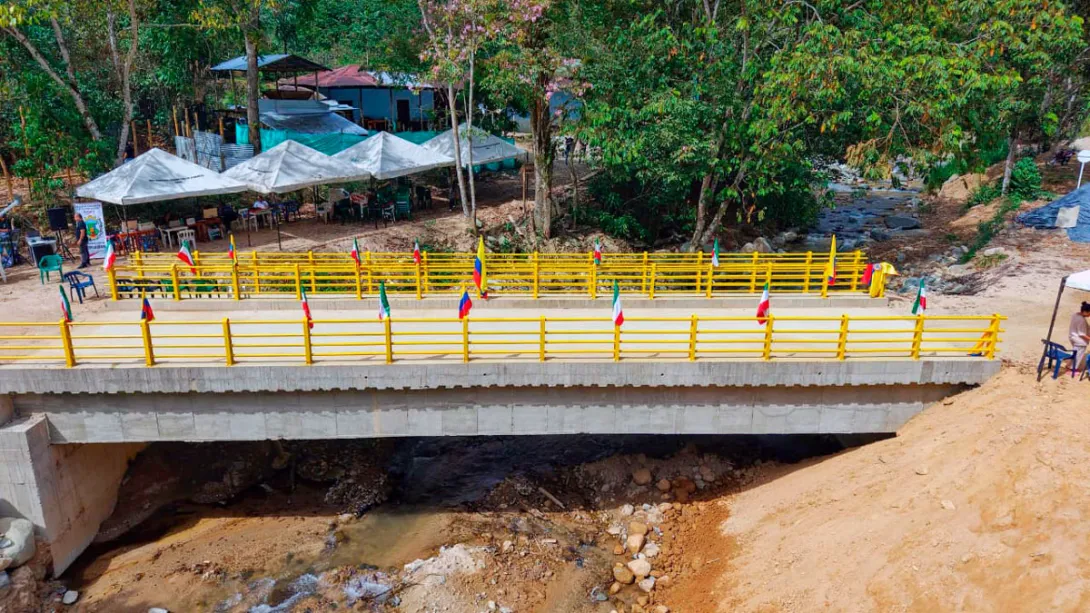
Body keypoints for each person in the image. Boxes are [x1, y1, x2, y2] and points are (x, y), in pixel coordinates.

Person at [1069, 302, 1090, 372]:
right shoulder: (1082, 320)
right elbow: (1082, 334)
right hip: (1080, 341)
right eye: (1089, 313)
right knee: (1078, 355)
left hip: (1072, 336)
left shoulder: (1075, 315)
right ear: (1085, 312)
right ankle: (1072, 369)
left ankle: (1069, 366)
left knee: (1075, 353)